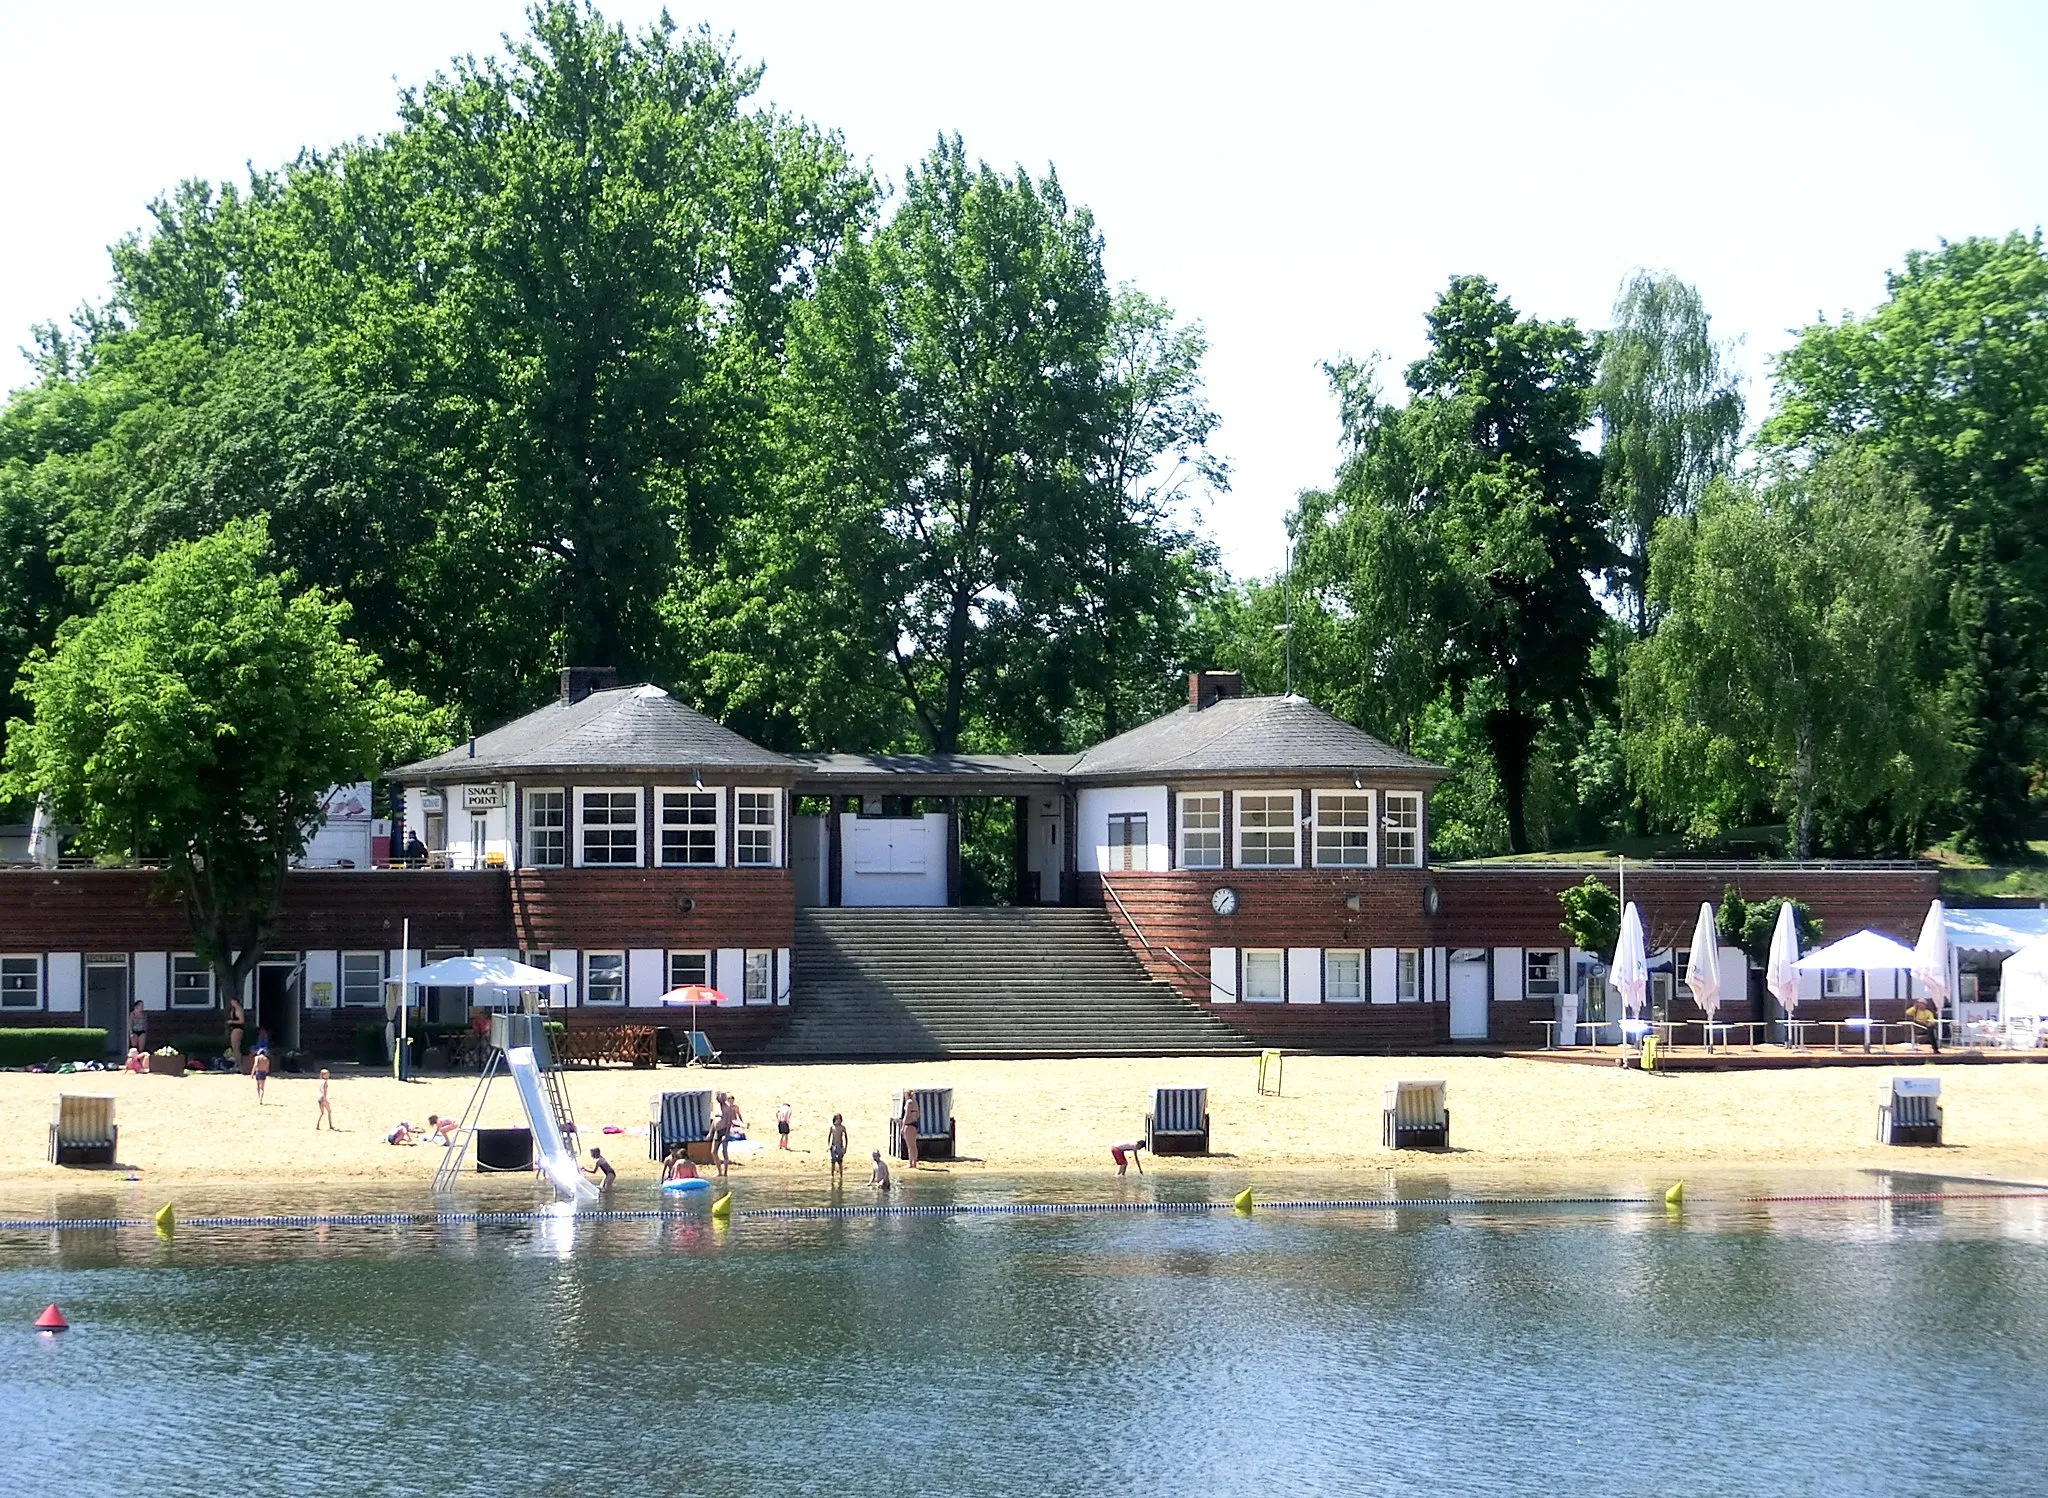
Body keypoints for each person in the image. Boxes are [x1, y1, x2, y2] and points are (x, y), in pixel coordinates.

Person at [898, 1091, 920, 1170]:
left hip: (909, 1125)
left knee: (909, 1146)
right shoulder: (915, 1103)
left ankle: (911, 1163)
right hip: (914, 1124)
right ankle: (914, 1162)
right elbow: (918, 1115)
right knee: (914, 1145)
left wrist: (903, 1126)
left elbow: (906, 1115)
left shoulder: (908, 1102)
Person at [826, 1113, 848, 1180]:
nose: (839, 1121)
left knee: (840, 1162)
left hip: (840, 1146)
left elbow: (846, 1138)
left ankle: (841, 1176)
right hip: (833, 1146)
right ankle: (832, 1175)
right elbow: (829, 1137)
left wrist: (845, 1147)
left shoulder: (842, 1128)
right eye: (837, 1119)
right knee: (833, 1162)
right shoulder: (832, 1127)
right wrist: (829, 1145)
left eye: (839, 1119)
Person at [226, 997, 246, 1065]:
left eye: (233, 1002)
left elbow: (242, 1021)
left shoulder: (239, 1009)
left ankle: (240, 1065)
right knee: (234, 1048)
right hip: (233, 1029)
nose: (231, 1003)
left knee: (236, 1048)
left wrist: (232, 1021)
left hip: (238, 1029)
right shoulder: (233, 1009)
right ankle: (236, 1064)